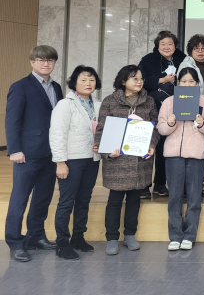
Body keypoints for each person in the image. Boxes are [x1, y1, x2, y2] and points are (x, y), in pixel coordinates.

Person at [93, 65, 160, 256]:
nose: (139, 81)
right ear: (123, 81)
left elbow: (155, 128)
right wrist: (107, 151)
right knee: (114, 200)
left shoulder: (149, 101)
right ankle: (112, 237)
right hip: (117, 160)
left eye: (141, 78)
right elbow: (101, 129)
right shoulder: (110, 101)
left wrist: (152, 145)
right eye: (134, 78)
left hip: (139, 159)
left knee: (134, 199)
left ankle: (130, 235)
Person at [5, 46, 63, 262]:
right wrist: (14, 150)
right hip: (27, 154)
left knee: (42, 198)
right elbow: (12, 121)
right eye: (40, 60)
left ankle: (36, 236)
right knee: (19, 199)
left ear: (54, 63)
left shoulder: (56, 87)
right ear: (32, 62)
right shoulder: (20, 86)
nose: (45, 64)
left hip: (51, 153)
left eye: (50, 60)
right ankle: (15, 242)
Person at [157, 68, 204, 251]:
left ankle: (190, 235)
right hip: (173, 155)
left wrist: (202, 124)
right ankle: (175, 235)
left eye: (191, 81)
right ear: (178, 83)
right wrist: (170, 123)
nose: (187, 85)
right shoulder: (169, 102)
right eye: (183, 81)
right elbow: (161, 128)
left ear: (197, 83)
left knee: (194, 197)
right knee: (174, 196)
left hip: (196, 155)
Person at [49, 66, 102, 260]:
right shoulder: (65, 104)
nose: (88, 83)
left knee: (84, 200)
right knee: (66, 202)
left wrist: (101, 144)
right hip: (71, 160)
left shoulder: (98, 105)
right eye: (83, 80)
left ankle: (78, 237)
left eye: (92, 80)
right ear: (74, 83)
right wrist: (60, 162)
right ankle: (62, 243)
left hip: (92, 159)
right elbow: (57, 134)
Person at [139, 30, 186, 198]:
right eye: (163, 44)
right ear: (157, 45)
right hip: (150, 108)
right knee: (146, 145)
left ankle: (160, 184)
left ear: (175, 45)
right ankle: (143, 185)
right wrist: (162, 80)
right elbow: (140, 80)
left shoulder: (183, 59)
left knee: (163, 148)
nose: (166, 47)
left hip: (172, 109)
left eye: (170, 44)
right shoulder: (148, 60)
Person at [178, 33, 204, 197]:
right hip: (193, 110)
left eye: (203, 48)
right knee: (197, 148)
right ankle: (195, 186)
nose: (200, 51)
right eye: (196, 48)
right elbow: (182, 91)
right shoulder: (185, 66)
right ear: (190, 50)